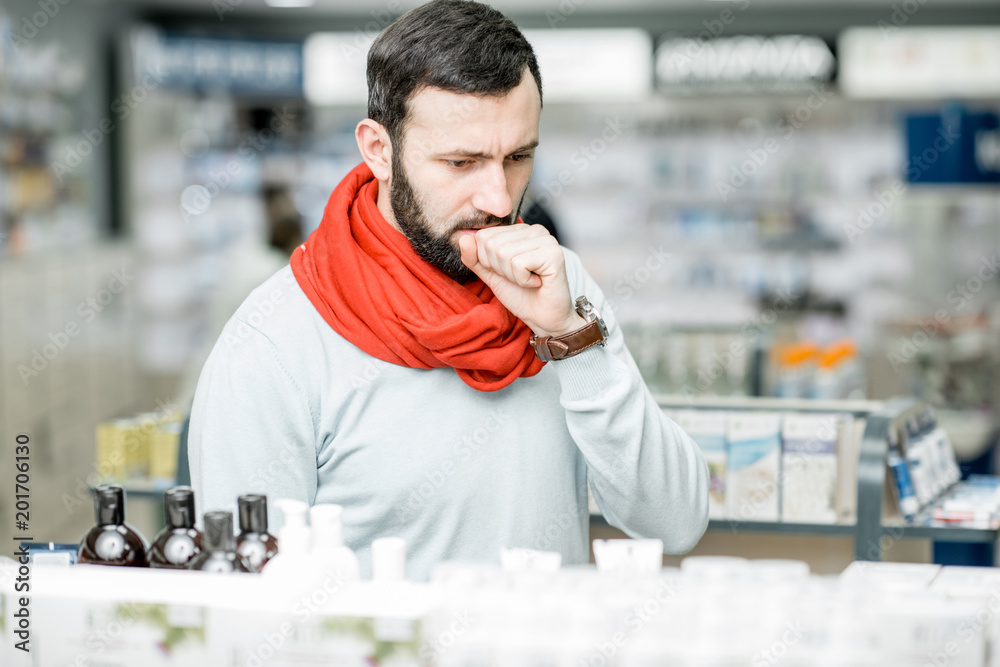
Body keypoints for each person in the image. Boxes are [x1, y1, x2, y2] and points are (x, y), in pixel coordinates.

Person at [189, 0, 708, 580]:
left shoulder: (558, 289)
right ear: (378, 151)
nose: (500, 200)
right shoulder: (276, 343)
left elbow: (675, 523)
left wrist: (569, 338)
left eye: (518, 158)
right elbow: (244, 605)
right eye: (462, 162)